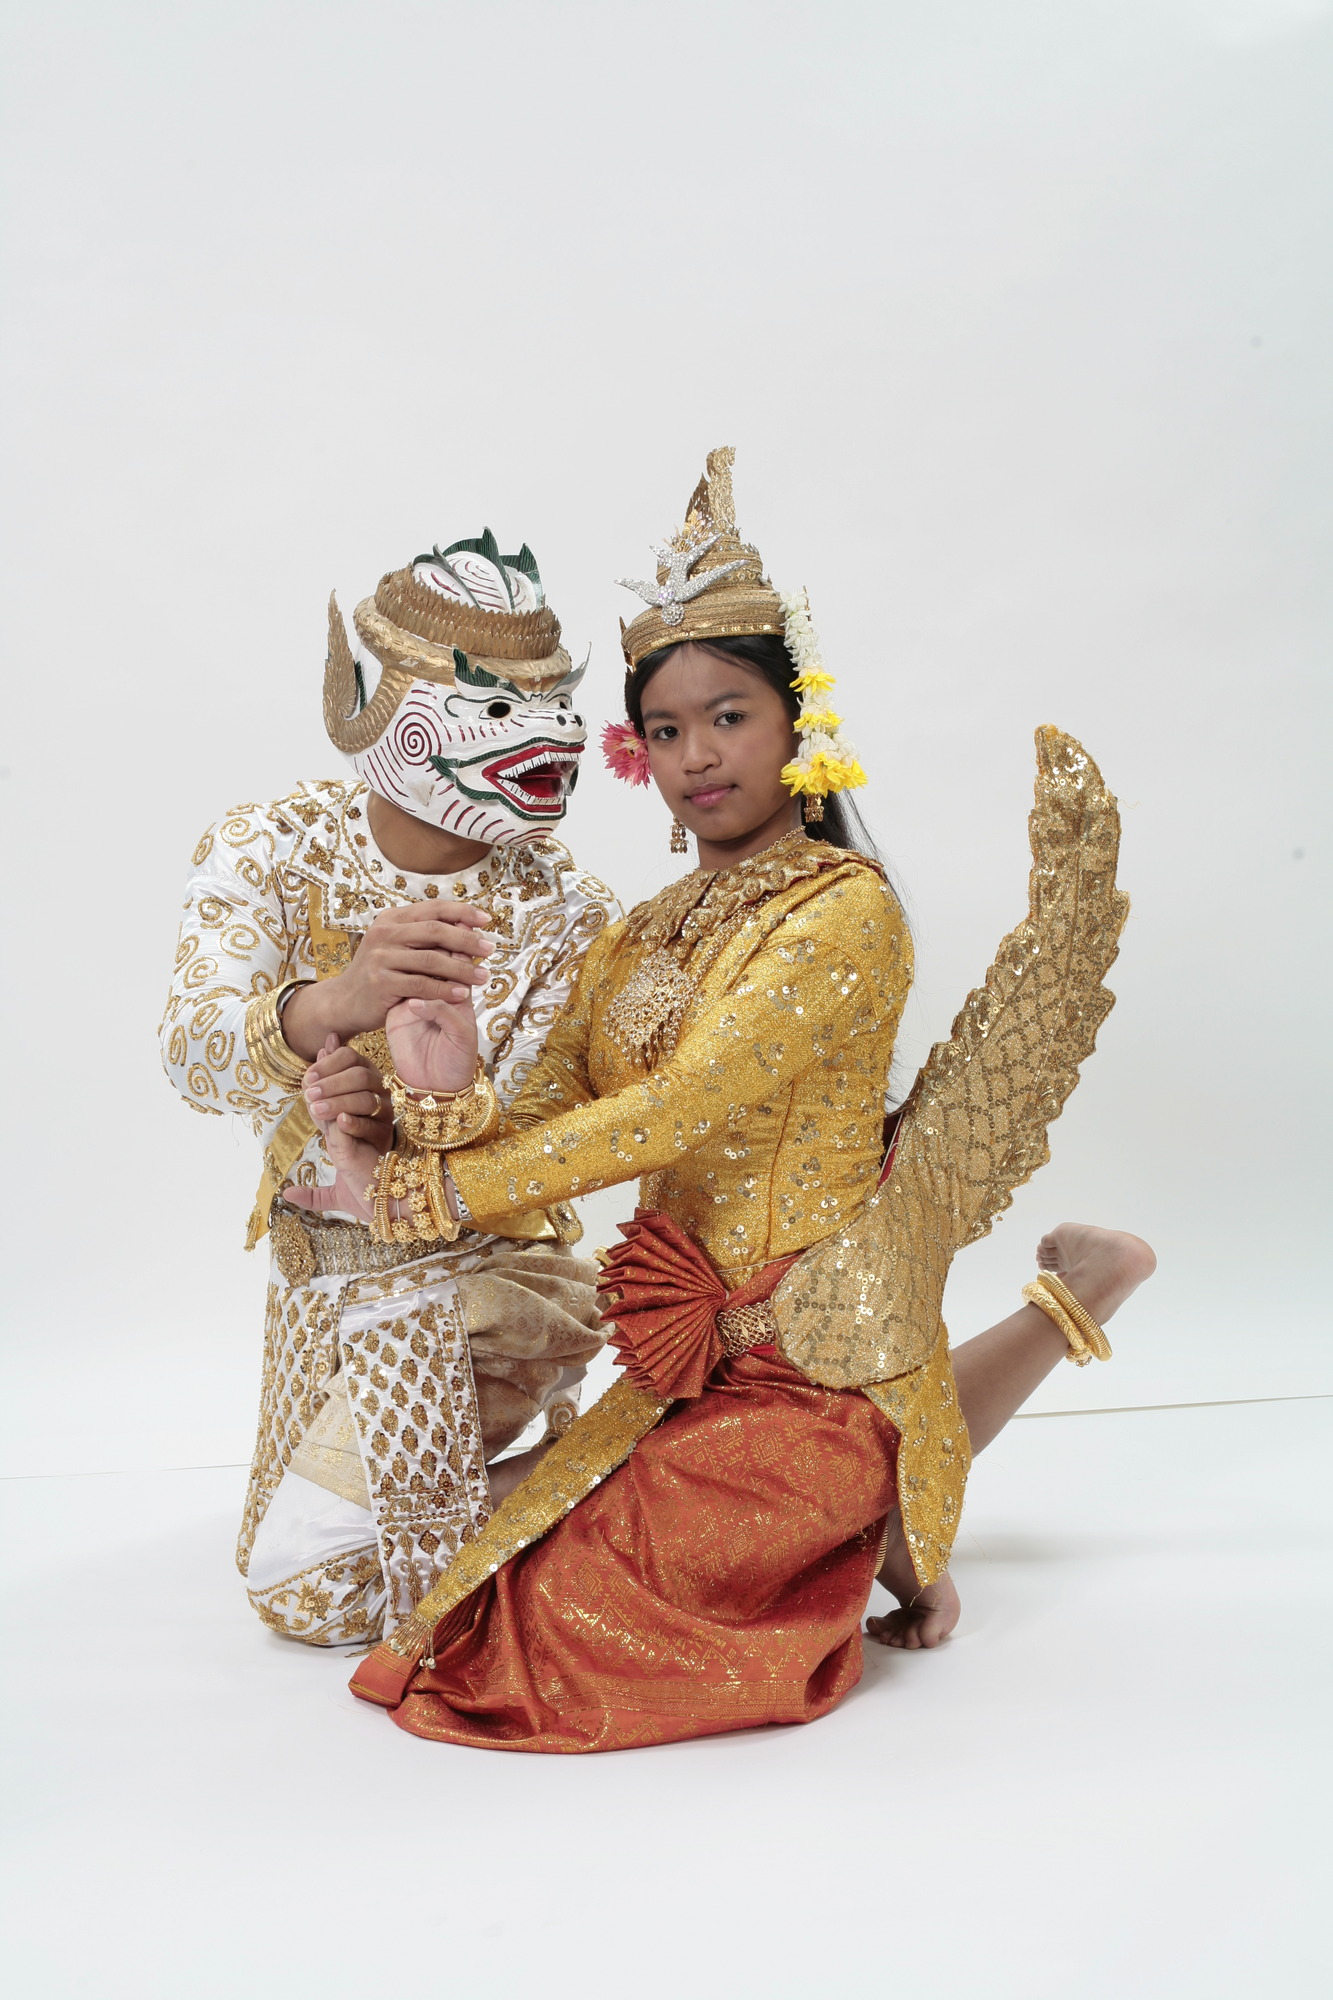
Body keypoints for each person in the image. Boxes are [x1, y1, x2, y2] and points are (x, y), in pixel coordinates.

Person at [288, 447, 1155, 1749]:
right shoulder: (641, 935)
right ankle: (889, 1521)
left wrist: (439, 1190)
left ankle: (986, 1398)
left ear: (799, 721)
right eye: (669, 728)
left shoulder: (840, 911)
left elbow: (678, 1111)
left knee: (572, 1632)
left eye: (730, 716)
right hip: (683, 1364)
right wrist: (435, 1086)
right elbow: (554, 1109)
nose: (699, 754)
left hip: (818, 1360)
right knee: (470, 1580)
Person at [159, 531, 619, 1645]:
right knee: (296, 1561)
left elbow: (554, 1140)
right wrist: (333, 1002)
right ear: (394, 712)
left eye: (554, 700)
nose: (549, 734)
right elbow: (191, 1053)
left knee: (308, 1592)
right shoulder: (272, 843)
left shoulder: (569, 912)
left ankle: (619, 1477)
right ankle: (609, 1478)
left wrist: (434, 1103)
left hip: (494, 1276)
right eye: (499, 707)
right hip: (323, 1273)